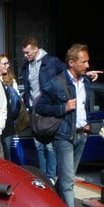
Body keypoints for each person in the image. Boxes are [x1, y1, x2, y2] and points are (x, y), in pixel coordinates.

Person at [35, 43, 95, 207]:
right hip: (64, 136)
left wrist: (86, 124)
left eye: (88, 61)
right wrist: (63, 108)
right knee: (68, 180)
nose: (87, 65)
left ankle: (54, 206)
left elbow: (85, 106)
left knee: (66, 178)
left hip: (81, 134)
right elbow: (41, 107)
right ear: (71, 63)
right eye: (83, 62)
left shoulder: (85, 82)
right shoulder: (56, 83)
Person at [21, 38, 65, 182]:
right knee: (39, 146)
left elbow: (68, 75)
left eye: (27, 52)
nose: (25, 55)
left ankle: (51, 177)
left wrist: (84, 75)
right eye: (24, 53)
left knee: (50, 147)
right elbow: (28, 87)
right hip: (34, 111)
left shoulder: (51, 62)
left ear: (36, 49)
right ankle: (43, 176)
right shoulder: (26, 66)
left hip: (48, 109)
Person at [0, 53, 22, 163]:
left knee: (7, 152)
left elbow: (17, 100)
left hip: (8, 121)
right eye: (4, 63)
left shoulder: (11, 81)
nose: (7, 66)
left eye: (8, 63)